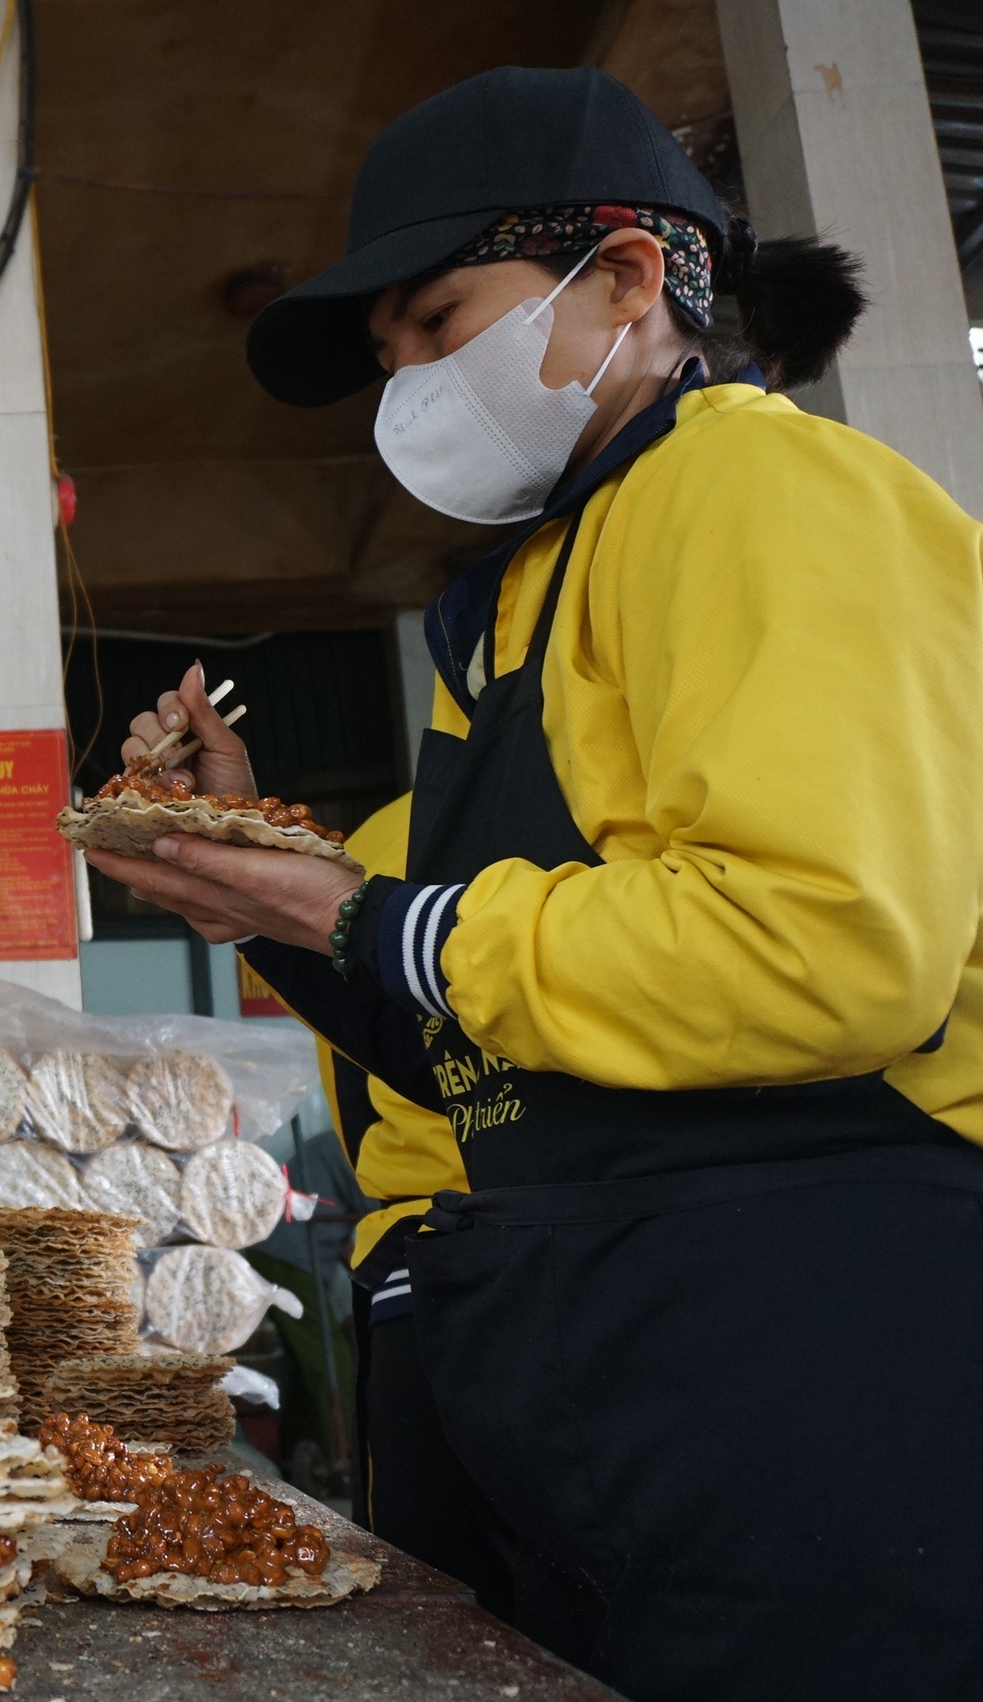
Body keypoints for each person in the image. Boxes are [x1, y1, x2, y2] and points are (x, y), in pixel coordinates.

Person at [93, 67, 983, 1700]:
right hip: (602, 1337)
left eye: (440, 323)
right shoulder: (506, 605)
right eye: (390, 362)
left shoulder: (762, 492)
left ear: (629, 279)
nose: (413, 384)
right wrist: (261, 877)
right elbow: (488, 1036)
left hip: (816, 1325)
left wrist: (348, 911)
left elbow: (827, 951)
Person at [310, 797, 505, 1618]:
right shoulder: (617, 805)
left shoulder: (376, 845)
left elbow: (353, 1084)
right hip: (624, 1247)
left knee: (438, 1616)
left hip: (427, 1258)